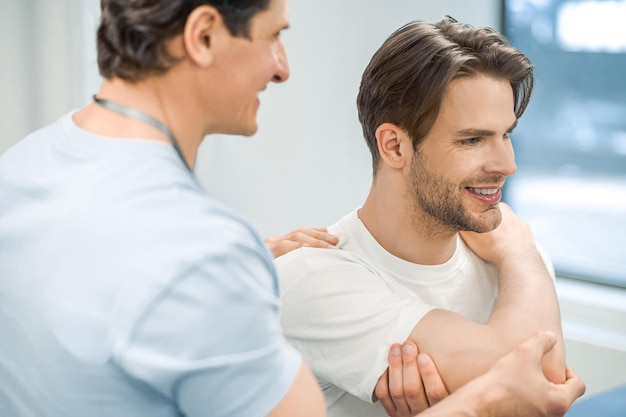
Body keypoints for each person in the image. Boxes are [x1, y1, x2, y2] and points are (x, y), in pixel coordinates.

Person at [0, 3, 583, 417]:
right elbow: (539, 381)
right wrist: (479, 401)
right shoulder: (204, 252)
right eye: (272, 35)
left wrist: (240, 263)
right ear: (204, 35)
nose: (282, 67)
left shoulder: (23, 165)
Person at [274, 16, 582, 417]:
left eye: (506, 134)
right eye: (472, 139)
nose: (507, 164)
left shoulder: (515, 267)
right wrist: (520, 254)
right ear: (394, 147)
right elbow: (538, 383)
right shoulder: (312, 279)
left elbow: (539, 394)